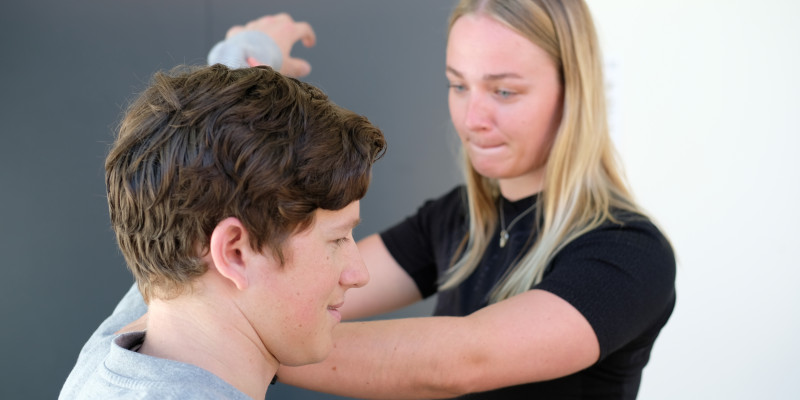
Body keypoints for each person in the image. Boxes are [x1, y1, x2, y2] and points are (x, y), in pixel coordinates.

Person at [120, 1, 677, 397]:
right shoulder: (460, 218)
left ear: (574, 93)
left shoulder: (627, 256)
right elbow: (291, 286)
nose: (473, 118)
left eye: (504, 91)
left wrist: (230, 338)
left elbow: (459, 361)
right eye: (459, 85)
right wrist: (242, 83)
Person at [58, 62, 386, 399]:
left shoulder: (103, 361)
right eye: (337, 239)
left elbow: (189, 166)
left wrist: (246, 52)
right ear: (234, 253)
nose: (358, 274)